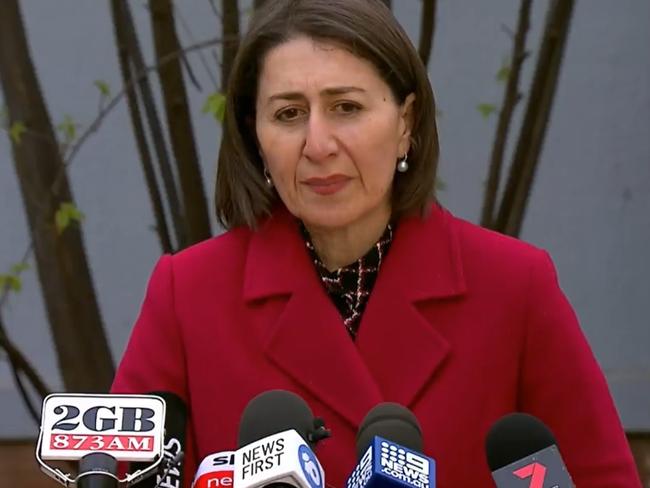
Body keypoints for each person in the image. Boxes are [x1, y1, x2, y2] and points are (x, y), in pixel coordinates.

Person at [112, 0, 641, 486]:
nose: (318, 145)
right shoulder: (189, 293)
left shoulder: (512, 286)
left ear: (405, 123)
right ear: (255, 135)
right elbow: (119, 472)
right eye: (289, 114)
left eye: (346, 107)